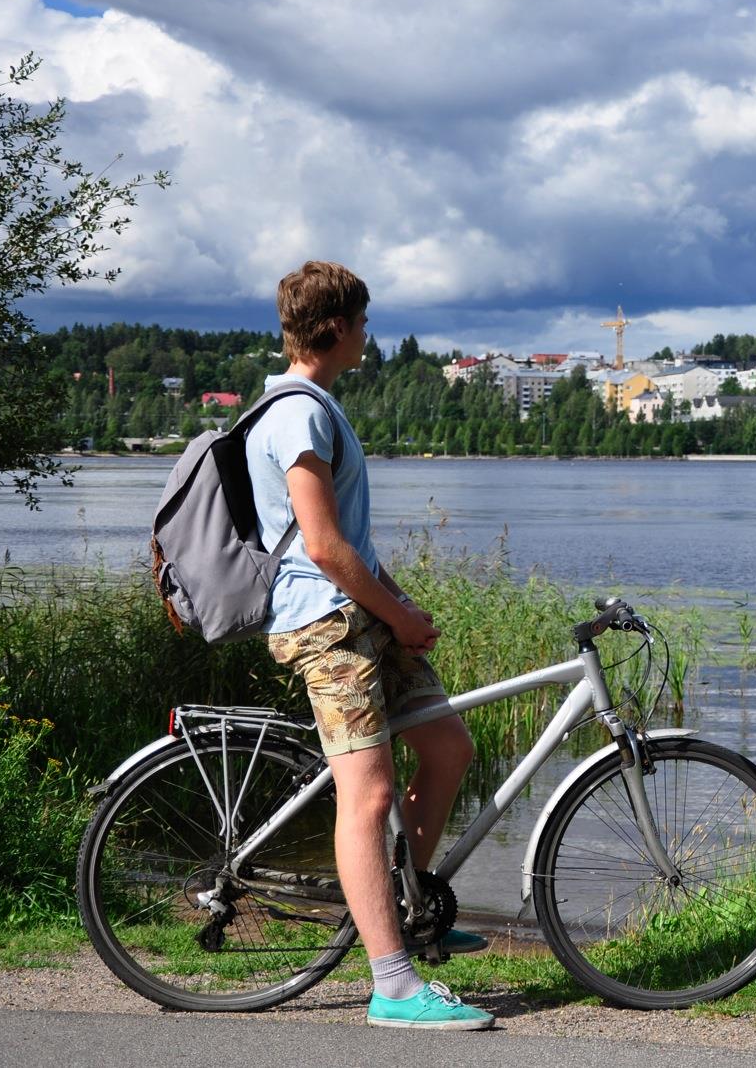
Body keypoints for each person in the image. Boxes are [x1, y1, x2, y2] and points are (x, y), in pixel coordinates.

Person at [247, 260, 494, 1031]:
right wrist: (388, 608)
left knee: (449, 749)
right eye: (361, 322)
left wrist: (402, 609)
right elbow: (321, 546)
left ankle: (408, 903)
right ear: (336, 329)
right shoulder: (296, 414)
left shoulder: (317, 406)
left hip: (362, 616)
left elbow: (348, 540)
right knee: (370, 795)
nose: (368, 335)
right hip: (327, 625)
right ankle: (393, 985)